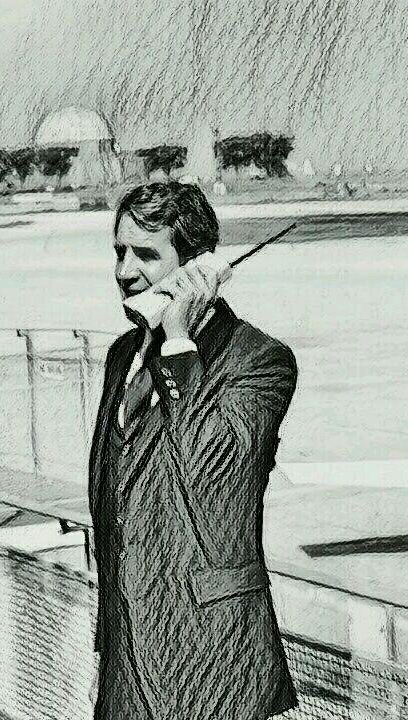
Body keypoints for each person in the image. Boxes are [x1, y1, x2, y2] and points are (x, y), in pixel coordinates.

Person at [87, 181, 298, 720]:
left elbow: (211, 472)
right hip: (128, 673)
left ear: (196, 268)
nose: (124, 271)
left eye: (146, 255)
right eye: (119, 252)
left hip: (214, 667)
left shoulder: (260, 361)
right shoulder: (122, 355)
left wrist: (180, 343)